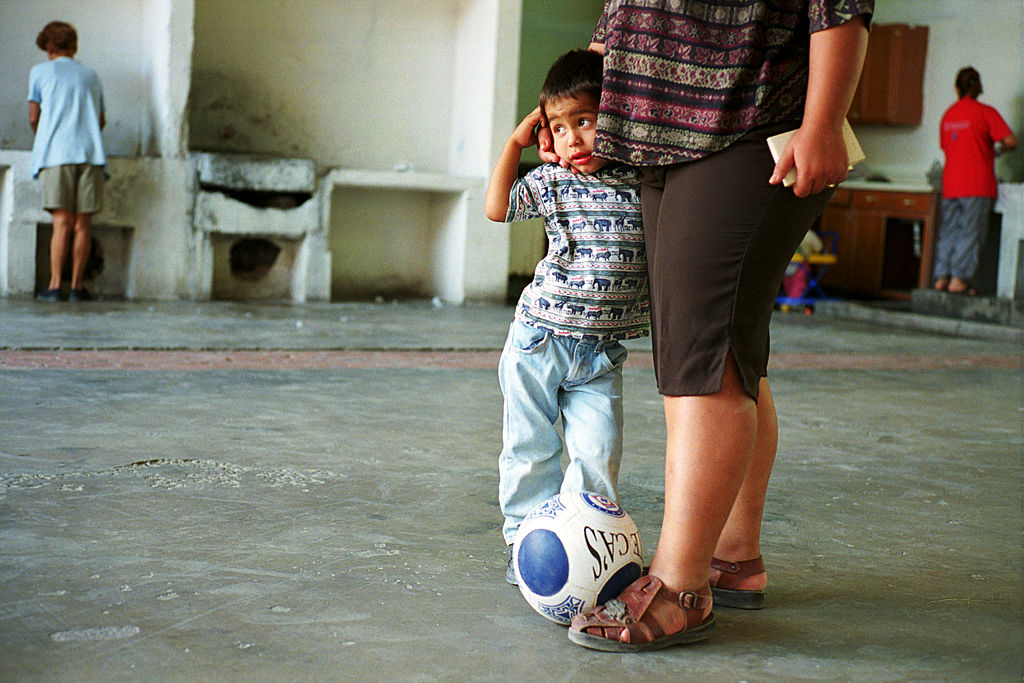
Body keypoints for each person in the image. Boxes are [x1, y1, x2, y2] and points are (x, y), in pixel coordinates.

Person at [549, 2, 872, 651]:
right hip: (653, 133)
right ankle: (733, 555)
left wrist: (824, 120)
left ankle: (681, 587)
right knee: (711, 348)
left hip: (743, 121)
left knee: (701, 356)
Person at [484, 49, 649, 585]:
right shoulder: (553, 182)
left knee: (597, 453)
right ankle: (523, 543)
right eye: (559, 126)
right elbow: (497, 206)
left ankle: (588, 549)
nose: (573, 138)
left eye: (585, 120)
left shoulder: (643, 180)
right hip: (540, 339)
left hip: (601, 353)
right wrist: (517, 141)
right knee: (530, 448)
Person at [29, 20, 106, 302]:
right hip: (90, 153)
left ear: (49, 47)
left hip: (56, 154)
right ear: (73, 46)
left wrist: (47, 137)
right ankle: (76, 287)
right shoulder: (91, 75)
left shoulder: (39, 72)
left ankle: (53, 286)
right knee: (82, 223)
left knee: (61, 222)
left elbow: (34, 117)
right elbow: (101, 120)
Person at [933, 67, 1018, 295]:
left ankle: (942, 278)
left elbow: (947, 147)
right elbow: (1011, 141)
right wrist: (996, 151)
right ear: (978, 86)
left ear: (957, 88)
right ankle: (959, 281)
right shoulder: (985, 112)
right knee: (970, 233)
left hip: (951, 184)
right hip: (977, 184)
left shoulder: (948, 114)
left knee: (949, 231)